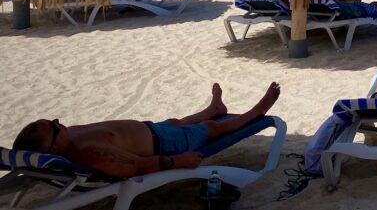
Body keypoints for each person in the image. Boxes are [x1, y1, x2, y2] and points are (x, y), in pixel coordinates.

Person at [11, 83, 281, 179]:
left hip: (153, 130)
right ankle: (256, 112)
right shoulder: (89, 152)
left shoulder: (67, 139)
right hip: (164, 145)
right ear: (54, 147)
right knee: (212, 129)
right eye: (54, 126)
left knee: (178, 121)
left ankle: (214, 108)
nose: (58, 120)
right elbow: (135, 166)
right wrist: (178, 161)